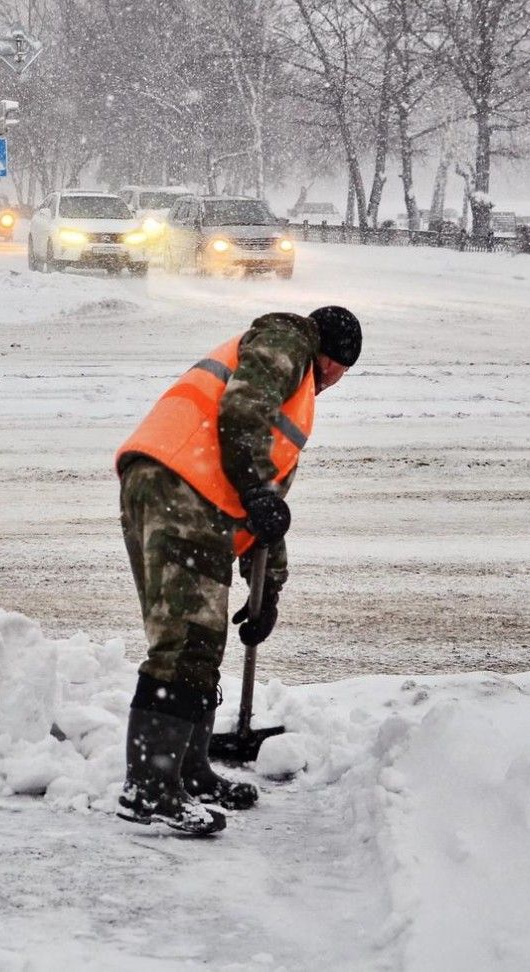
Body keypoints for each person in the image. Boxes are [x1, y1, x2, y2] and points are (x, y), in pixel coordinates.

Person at [112, 306, 362, 836]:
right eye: (338, 366)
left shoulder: (294, 397)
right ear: (324, 351)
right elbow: (242, 413)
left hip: (188, 492)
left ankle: (189, 771)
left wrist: (268, 591)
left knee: (201, 644)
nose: (337, 379)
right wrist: (252, 489)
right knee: (184, 641)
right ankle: (149, 790)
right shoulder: (287, 339)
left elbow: (266, 512)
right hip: (178, 484)